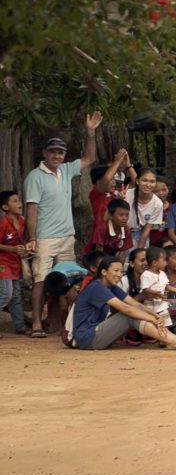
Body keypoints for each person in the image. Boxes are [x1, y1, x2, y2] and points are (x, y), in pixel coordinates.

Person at [24, 111, 103, 337]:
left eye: (60, 152)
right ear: (45, 153)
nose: (57, 156)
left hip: (66, 236)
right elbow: (32, 209)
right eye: (53, 152)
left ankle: (58, 322)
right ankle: (38, 324)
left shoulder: (67, 170)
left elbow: (89, 159)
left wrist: (90, 133)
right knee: (41, 280)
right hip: (44, 237)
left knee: (64, 282)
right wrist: (32, 237)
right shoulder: (35, 176)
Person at [69, 257, 176, 350]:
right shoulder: (96, 287)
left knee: (138, 312)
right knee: (129, 315)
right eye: (116, 271)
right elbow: (126, 309)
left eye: (121, 271)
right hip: (87, 338)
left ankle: (171, 340)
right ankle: (173, 341)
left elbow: (135, 304)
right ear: (104, 272)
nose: (119, 275)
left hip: (95, 335)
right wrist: (152, 319)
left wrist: (155, 315)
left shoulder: (111, 286)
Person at [0, 190, 28, 336]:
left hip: (15, 263)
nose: (19, 203)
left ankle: (20, 325)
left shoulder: (22, 221)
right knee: (6, 293)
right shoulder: (3, 223)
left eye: (19, 200)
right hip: (3, 263)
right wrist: (12, 248)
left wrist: (24, 249)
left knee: (16, 296)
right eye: (15, 201)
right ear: (5, 207)